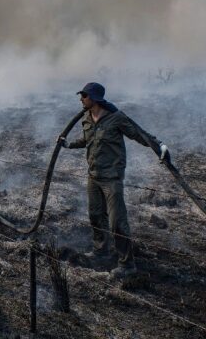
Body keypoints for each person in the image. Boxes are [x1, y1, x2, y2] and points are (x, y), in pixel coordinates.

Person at [60, 82, 170, 279]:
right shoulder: (86, 117)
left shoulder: (116, 118)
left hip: (111, 178)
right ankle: (101, 251)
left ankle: (127, 265)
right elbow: (87, 140)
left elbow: (139, 134)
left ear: (94, 98)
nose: (81, 99)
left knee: (117, 222)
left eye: (84, 96)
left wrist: (159, 146)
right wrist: (68, 145)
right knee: (95, 215)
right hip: (93, 176)